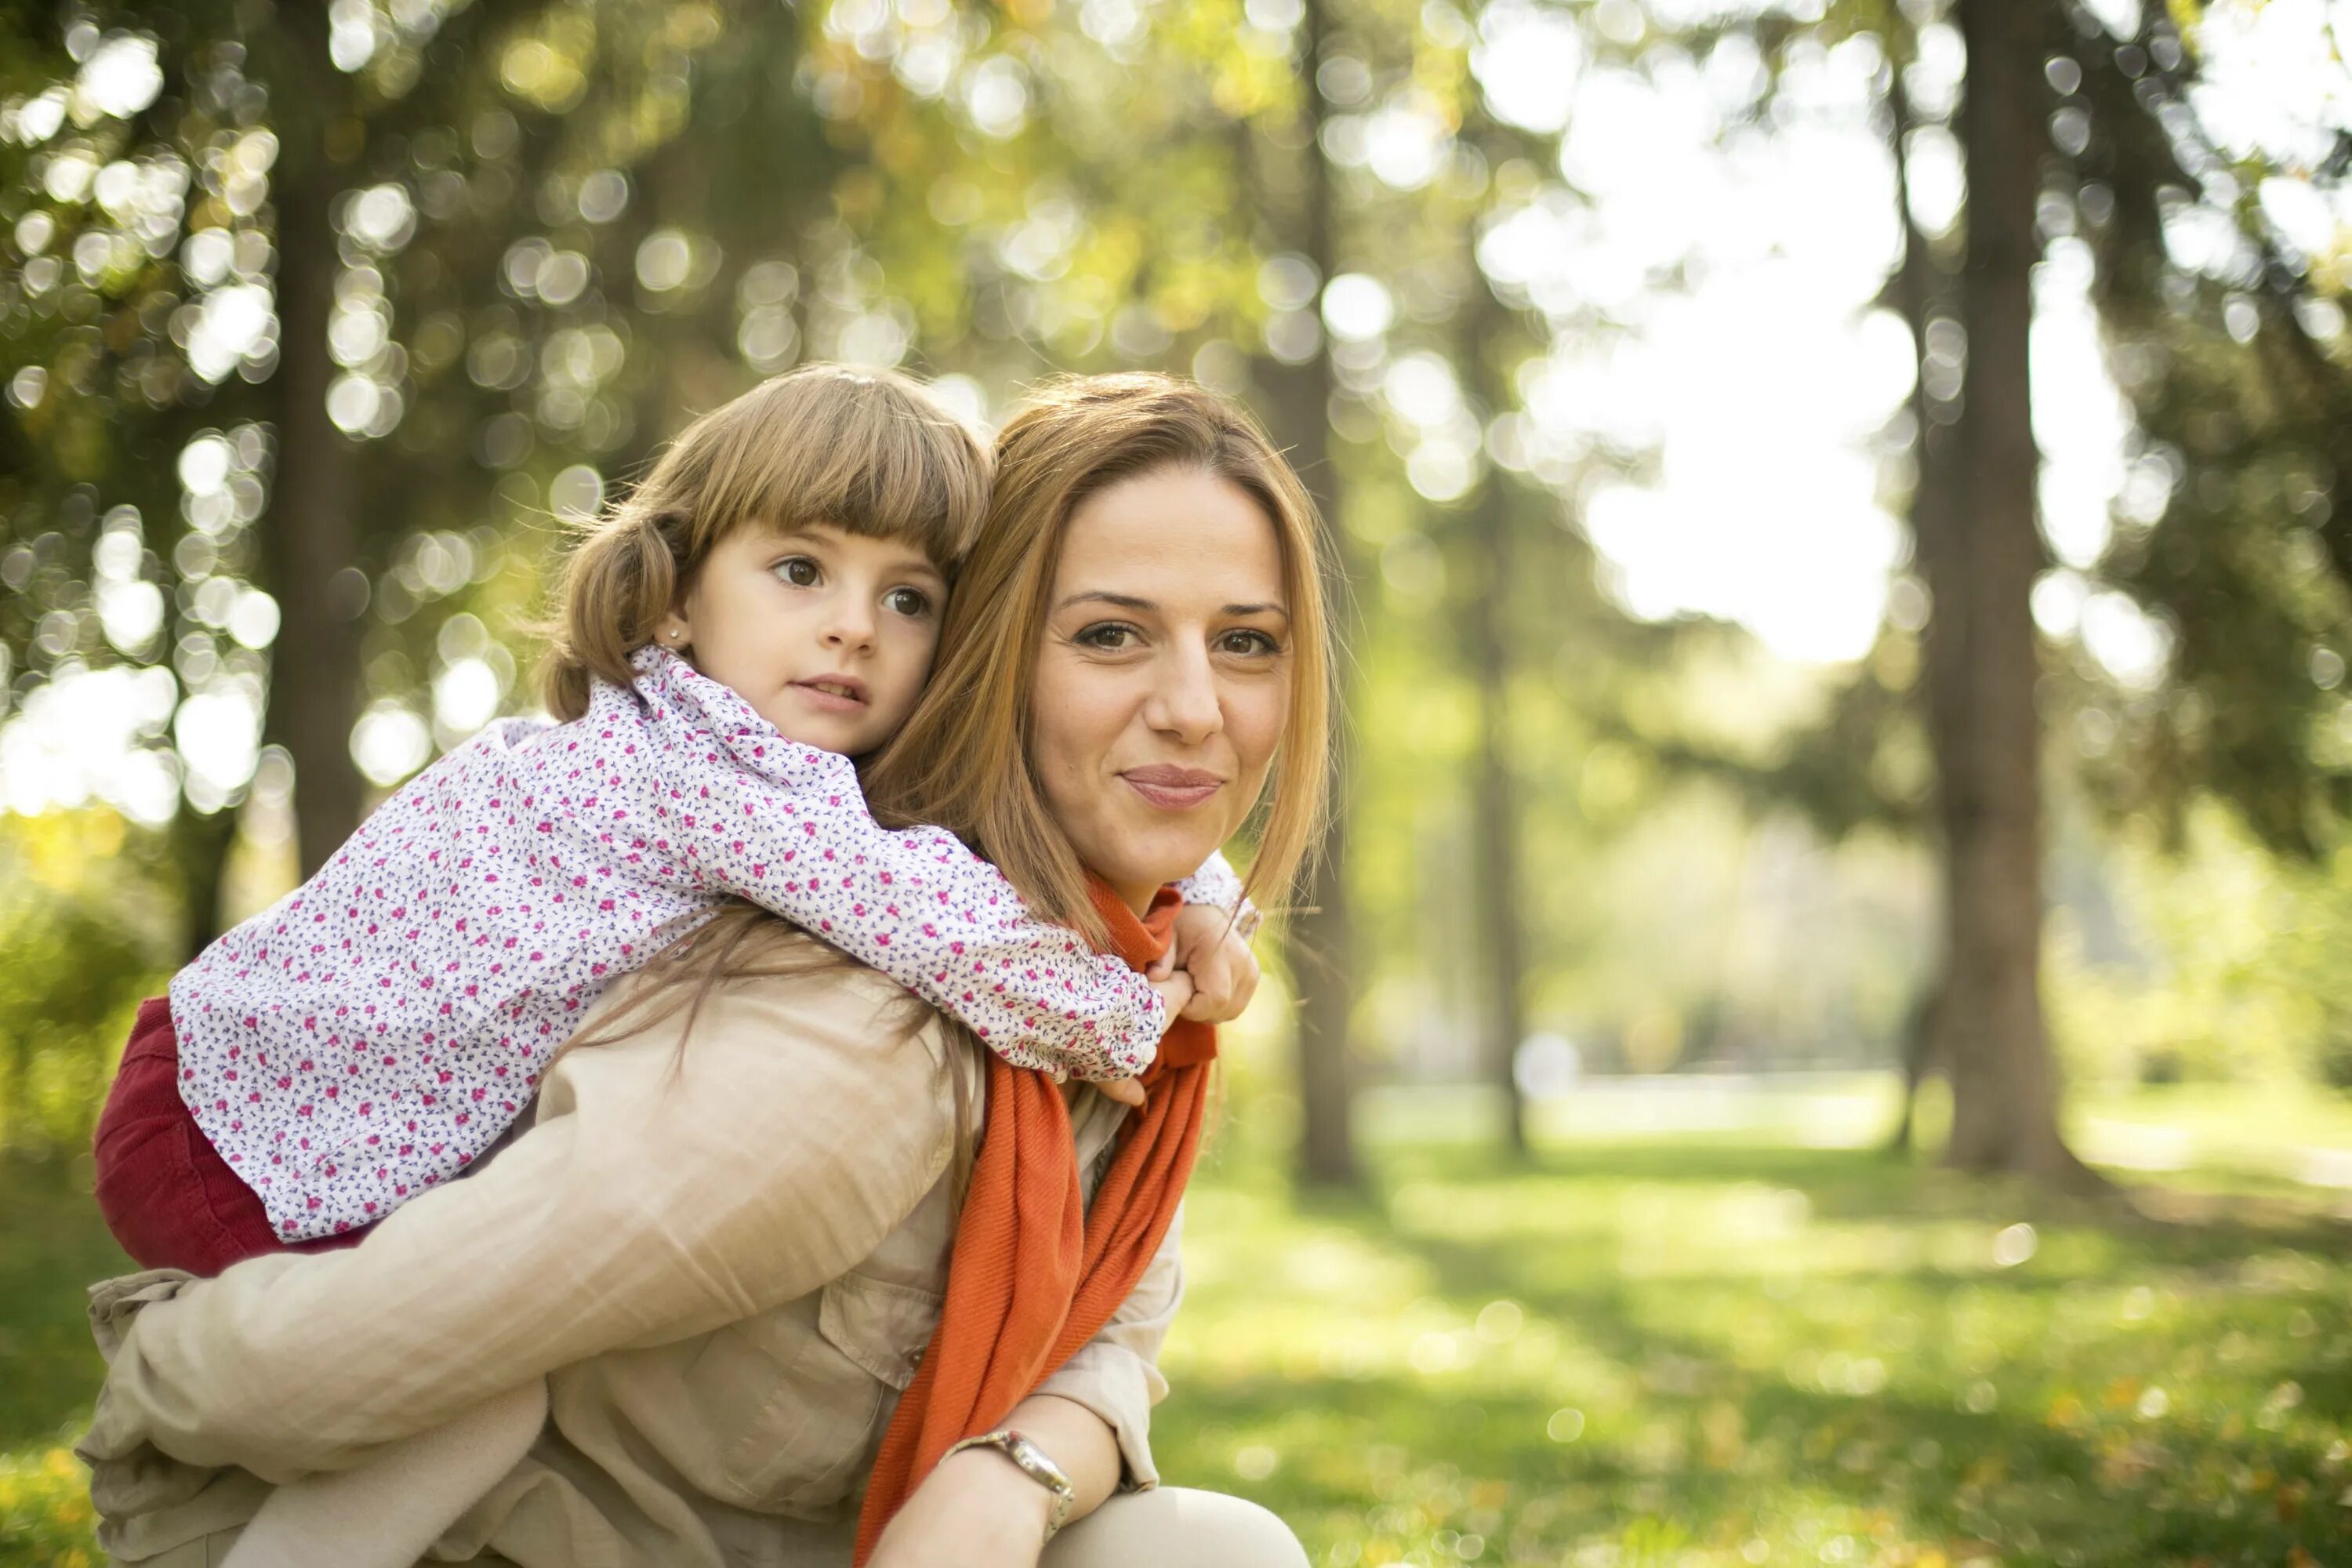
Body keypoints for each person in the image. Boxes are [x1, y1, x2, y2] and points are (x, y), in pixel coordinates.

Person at [77, 371, 1330, 1568]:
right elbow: (362, 1347)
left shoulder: (1087, 928)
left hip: (787, 1526)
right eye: (1111, 635)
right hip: (478, 1461)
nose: (1192, 710)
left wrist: (1012, 1480)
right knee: (468, 1409)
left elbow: (1111, 1326)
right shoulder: (883, 987)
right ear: (997, 657)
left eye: (1249, 643)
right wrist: (161, 1370)